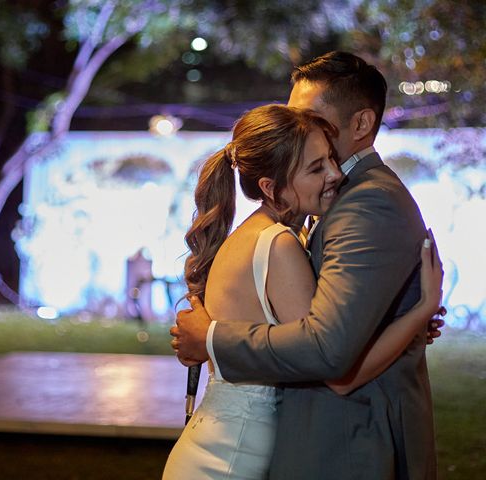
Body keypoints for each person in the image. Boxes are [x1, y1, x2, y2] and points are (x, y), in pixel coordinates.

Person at [170, 51, 444, 480]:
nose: (298, 127)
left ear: (361, 124)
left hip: (348, 440)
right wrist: (408, 316)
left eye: (312, 116)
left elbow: (328, 350)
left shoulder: (364, 201)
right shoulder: (315, 205)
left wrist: (213, 337)